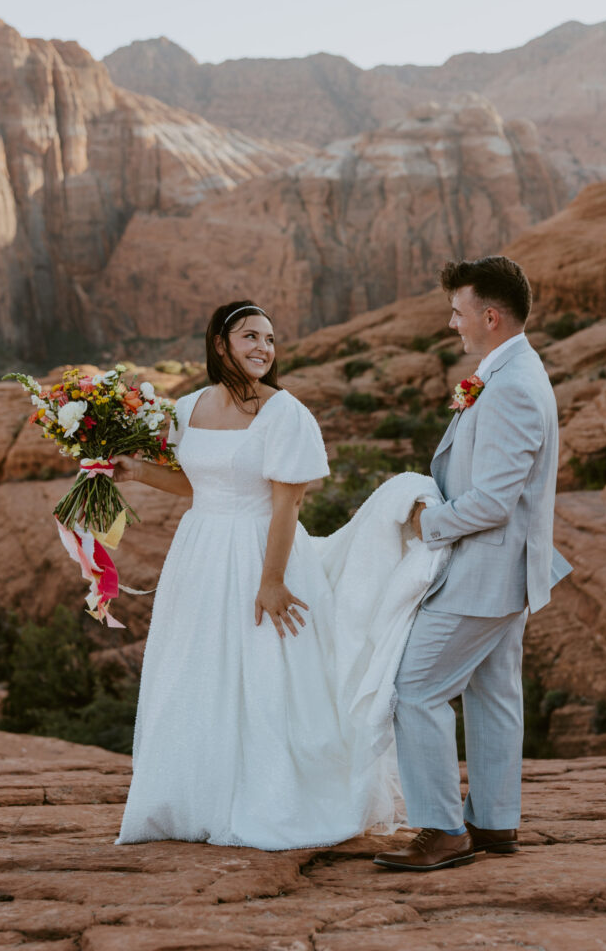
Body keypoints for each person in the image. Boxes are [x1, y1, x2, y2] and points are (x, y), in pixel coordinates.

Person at [113, 300, 439, 850]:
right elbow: (200, 485)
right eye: (249, 337)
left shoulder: (285, 413)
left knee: (265, 674)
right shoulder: (189, 407)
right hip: (199, 553)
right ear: (221, 344)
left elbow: (285, 505)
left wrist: (271, 581)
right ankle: (193, 801)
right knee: (196, 671)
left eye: (269, 338)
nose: (263, 347)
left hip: (264, 552)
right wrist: (137, 471)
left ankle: (273, 800)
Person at [374, 256, 571, 872]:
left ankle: (441, 828)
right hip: (508, 570)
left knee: (416, 689)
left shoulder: (511, 384)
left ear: (489, 316)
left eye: (457, 312)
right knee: (494, 694)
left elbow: (492, 500)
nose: (451, 322)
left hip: (485, 569)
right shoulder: (512, 370)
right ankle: (493, 821)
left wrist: (424, 525)